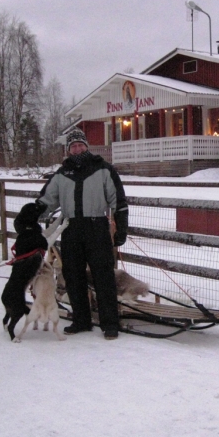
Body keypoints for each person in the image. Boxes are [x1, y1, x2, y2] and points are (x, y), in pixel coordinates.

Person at [37, 128, 128, 340]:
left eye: (80, 145)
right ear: (69, 150)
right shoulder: (62, 174)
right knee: (73, 276)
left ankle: (110, 324)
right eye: (73, 146)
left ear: (86, 146)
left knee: (103, 277)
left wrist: (121, 228)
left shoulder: (104, 170)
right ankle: (81, 320)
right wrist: (31, 216)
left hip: (97, 228)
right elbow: (47, 200)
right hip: (71, 230)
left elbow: (119, 201)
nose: (77, 149)